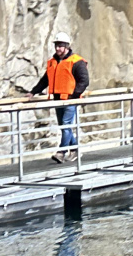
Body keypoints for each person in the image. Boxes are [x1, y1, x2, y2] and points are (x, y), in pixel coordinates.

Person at [28, 33, 89, 163]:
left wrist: (74, 95)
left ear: (67, 46)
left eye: (60, 46)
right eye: (56, 46)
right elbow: (46, 80)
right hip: (57, 99)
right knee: (63, 126)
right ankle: (75, 150)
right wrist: (33, 92)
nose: (57, 49)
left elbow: (84, 81)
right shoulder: (53, 62)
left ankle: (61, 152)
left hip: (70, 100)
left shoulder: (76, 62)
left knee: (66, 125)